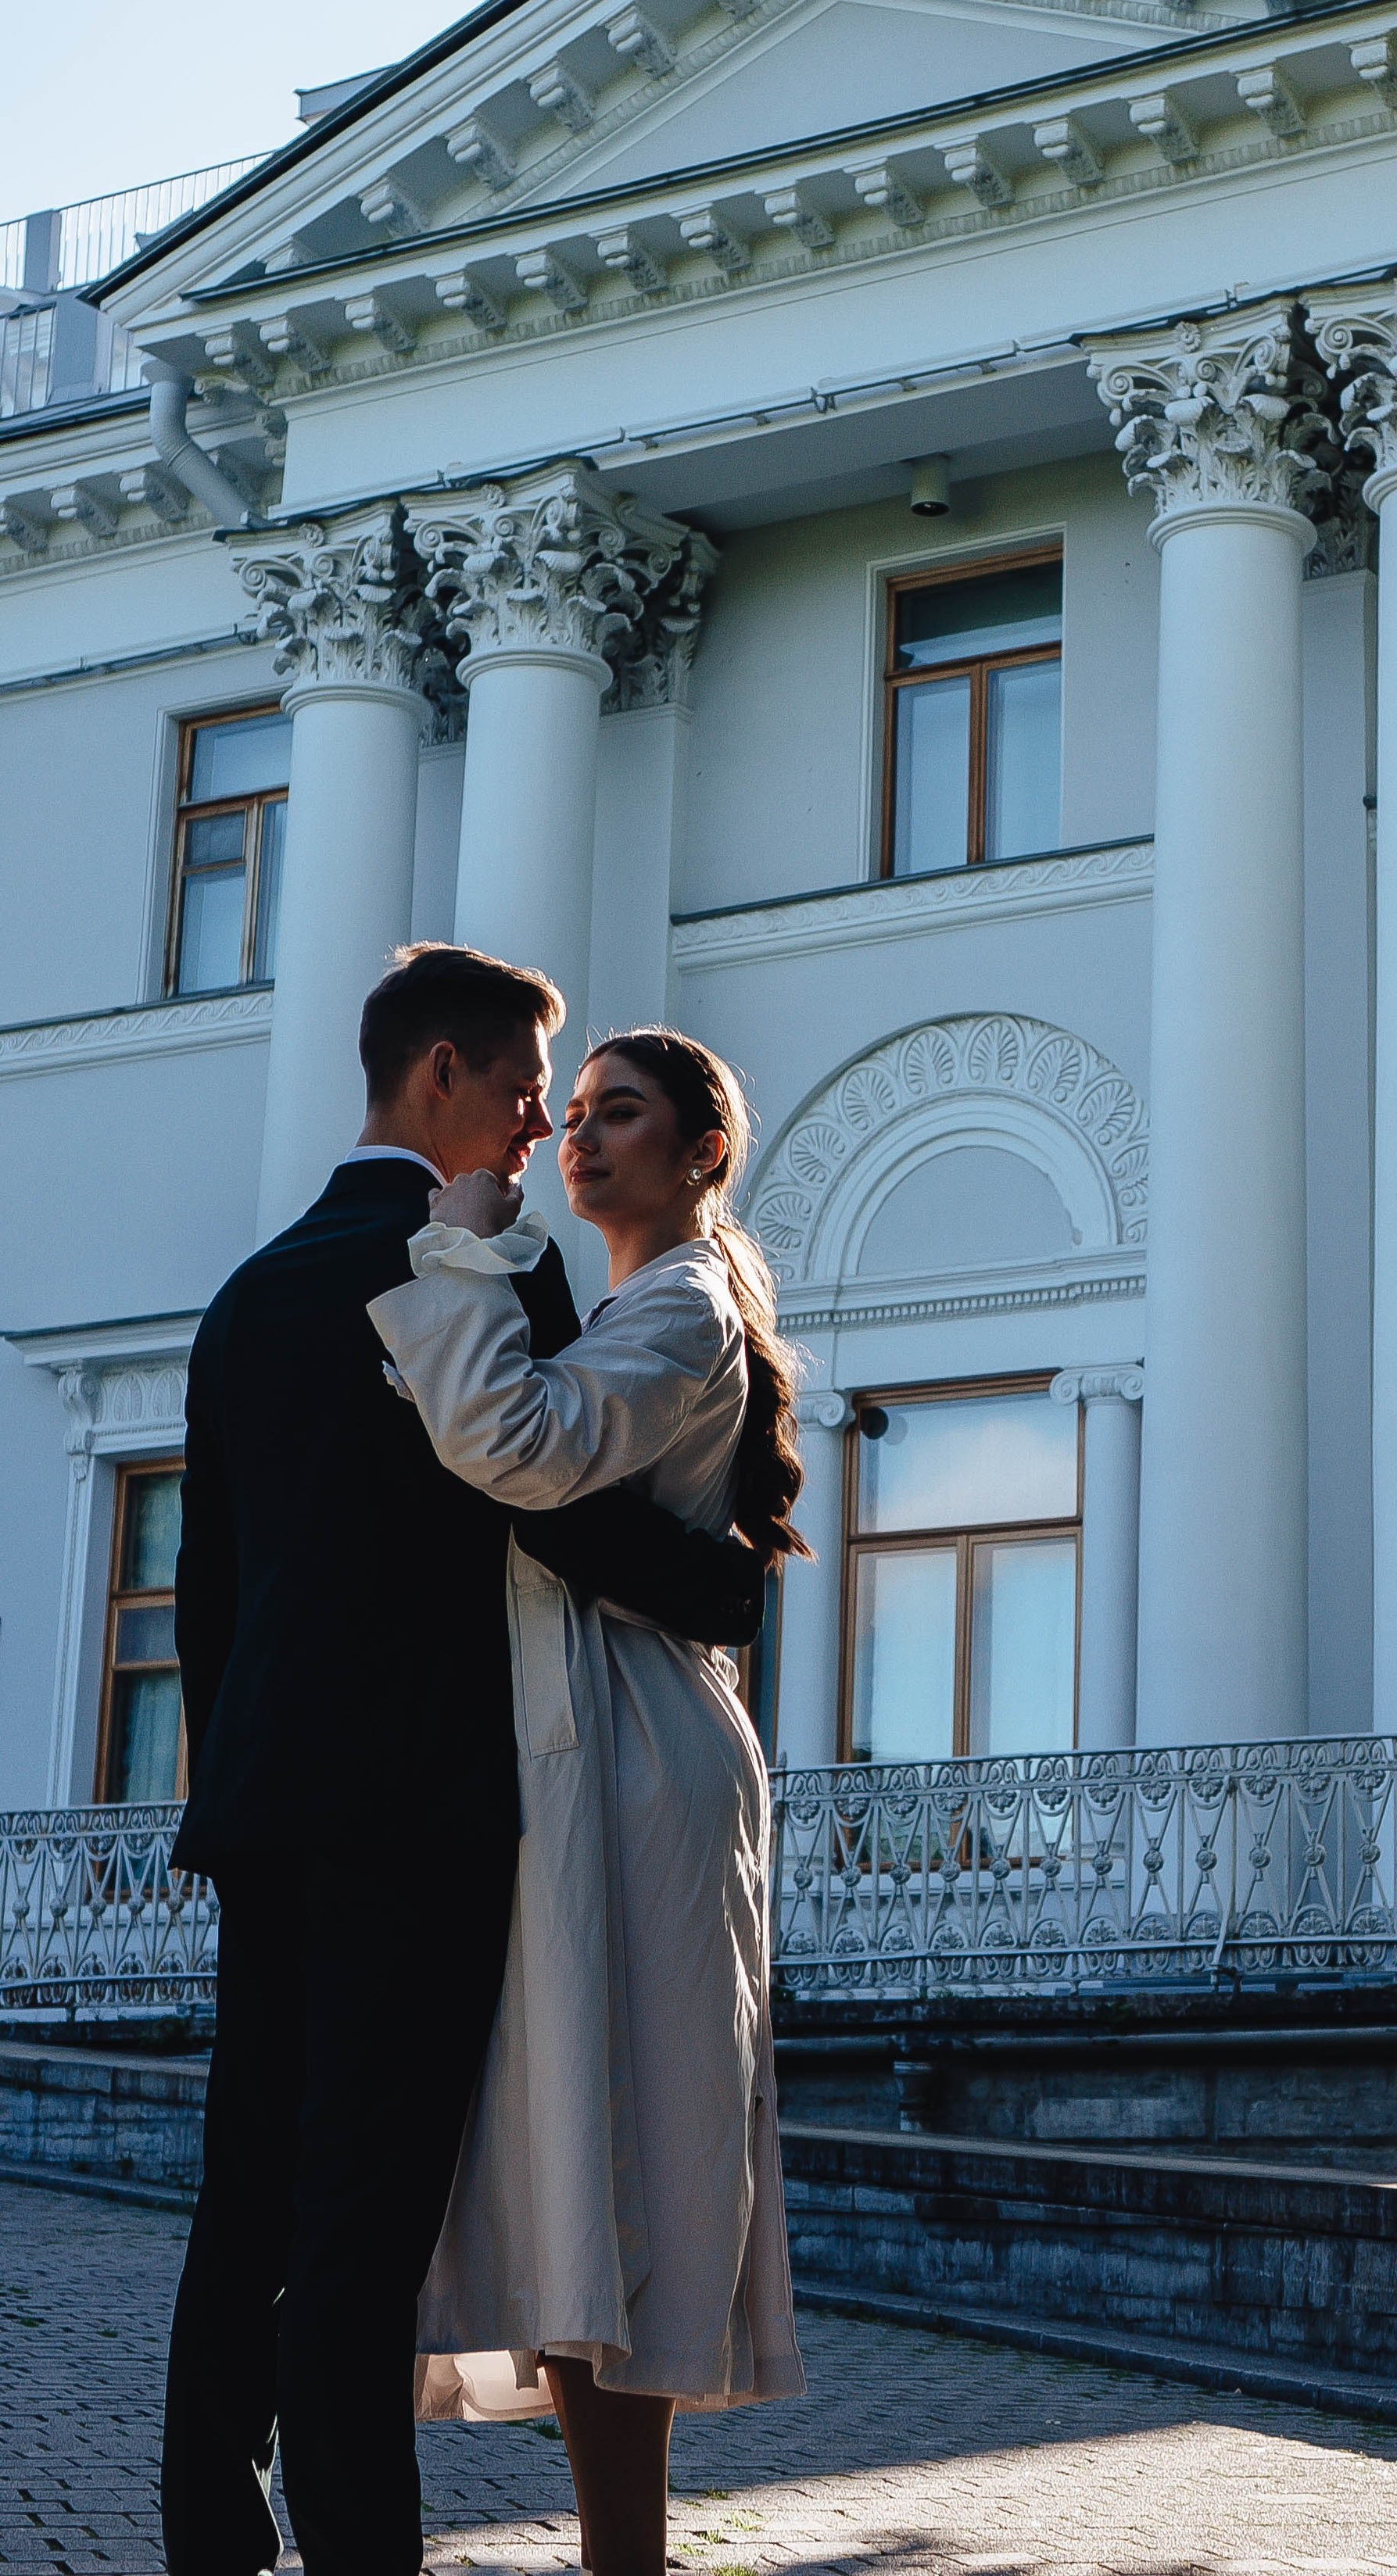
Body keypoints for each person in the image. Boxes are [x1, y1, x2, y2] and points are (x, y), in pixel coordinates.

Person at [162, 948, 765, 2576]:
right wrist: (717, 1589)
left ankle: (210, 2538)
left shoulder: (248, 1294)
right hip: (429, 1821)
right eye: (523, 1095)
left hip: (271, 1807)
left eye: (576, 1109)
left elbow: (211, 1587)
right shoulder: (482, 1273)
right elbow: (544, 1513)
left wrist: (222, 1792)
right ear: (442, 1076)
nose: (536, 1134)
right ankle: (364, 2555)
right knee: (357, 2224)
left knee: (245, 2202)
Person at [366, 1029, 808, 2576]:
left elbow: (516, 1448)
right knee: (585, 2157)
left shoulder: (680, 1299)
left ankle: (630, 2560)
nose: (580, 1136)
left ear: (702, 1151)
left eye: (622, 1113)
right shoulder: (641, 1301)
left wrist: (455, 1255)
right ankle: (624, 2558)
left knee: (614, 2155)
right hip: (598, 1749)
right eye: (582, 1113)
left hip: (630, 1766)